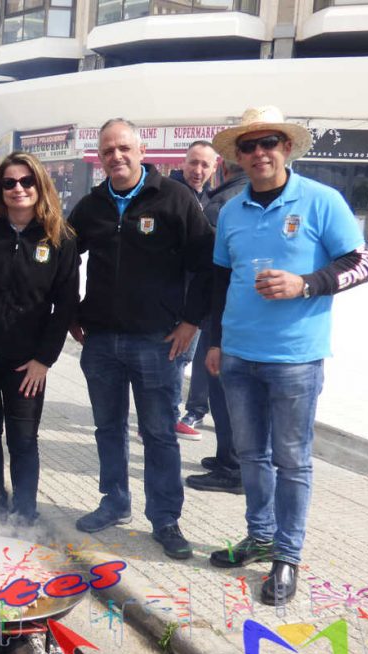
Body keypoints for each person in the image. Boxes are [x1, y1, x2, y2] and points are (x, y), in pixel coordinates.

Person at [206, 106, 368, 605]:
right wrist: (215, 341)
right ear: (238, 156)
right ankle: (259, 537)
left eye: (269, 142)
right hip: (238, 355)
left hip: (295, 358)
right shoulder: (231, 210)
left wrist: (306, 284)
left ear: (286, 148)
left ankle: (287, 554)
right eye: (249, 145)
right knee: (250, 456)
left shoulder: (322, 200)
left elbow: (362, 264)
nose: (260, 153)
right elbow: (220, 280)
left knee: (292, 461)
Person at [67, 118, 214, 560]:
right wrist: (71, 311)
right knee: (108, 428)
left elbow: (207, 263)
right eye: (108, 150)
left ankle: (165, 518)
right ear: (100, 157)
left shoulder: (174, 198)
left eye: (124, 148)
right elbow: (62, 259)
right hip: (101, 342)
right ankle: (114, 502)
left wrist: (191, 322)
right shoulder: (90, 206)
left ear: (141, 150)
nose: (116, 156)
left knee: (158, 433)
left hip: (158, 341)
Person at [0, 152, 79, 525]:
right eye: (9, 182)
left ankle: (25, 514)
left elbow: (65, 305)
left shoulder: (59, 238)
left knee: (23, 440)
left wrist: (44, 360)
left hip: (27, 363)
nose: (18, 189)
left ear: (40, 185)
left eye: (26, 181)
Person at [184, 160, 248, 496]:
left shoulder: (226, 202)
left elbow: (206, 265)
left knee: (223, 393)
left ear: (221, 166)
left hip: (222, 314)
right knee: (226, 391)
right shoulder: (238, 196)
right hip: (232, 312)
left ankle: (233, 467)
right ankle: (229, 458)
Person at [169, 141, 220, 441]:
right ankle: (167, 417)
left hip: (197, 296)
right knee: (175, 356)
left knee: (183, 357)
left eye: (205, 165)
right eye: (193, 162)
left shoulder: (209, 200)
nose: (198, 170)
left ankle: (166, 414)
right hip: (173, 296)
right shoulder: (170, 194)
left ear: (214, 168)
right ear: (183, 162)